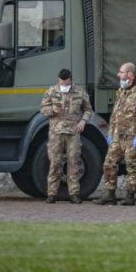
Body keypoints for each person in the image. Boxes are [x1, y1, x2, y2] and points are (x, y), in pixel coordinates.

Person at [94, 62, 136, 206]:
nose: (118, 75)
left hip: (131, 137)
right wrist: (111, 133)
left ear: (130, 74)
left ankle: (130, 196)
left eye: (121, 72)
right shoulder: (121, 91)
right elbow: (115, 114)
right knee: (109, 163)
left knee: (132, 167)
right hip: (117, 136)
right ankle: (110, 195)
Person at [40, 69, 93, 204]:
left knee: (73, 163)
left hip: (73, 133)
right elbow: (43, 109)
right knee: (55, 163)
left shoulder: (80, 92)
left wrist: (83, 121)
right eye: (62, 83)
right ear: (58, 80)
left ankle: (74, 194)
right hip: (56, 133)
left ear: (71, 80)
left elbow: (88, 109)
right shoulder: (51, 91)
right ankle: (52, 194)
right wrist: (52, 110)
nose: (64, 85)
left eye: (66, 83)